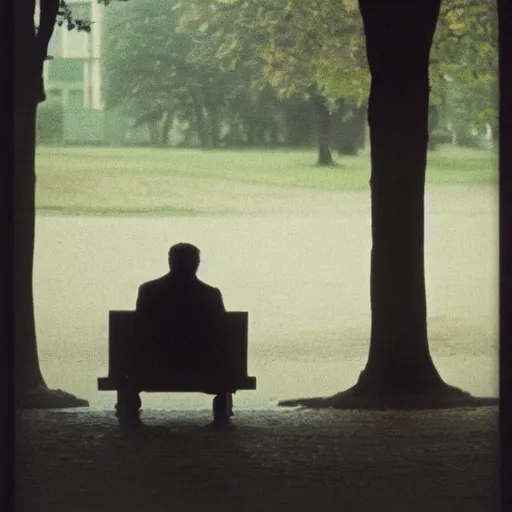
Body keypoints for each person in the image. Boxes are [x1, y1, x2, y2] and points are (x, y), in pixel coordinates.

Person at [115, 243, 234, 429]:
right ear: (197, 264)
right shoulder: (210, 294)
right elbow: (224, 336)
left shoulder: (147, 291)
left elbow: (139, 333)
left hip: (152, 366)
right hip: (202, 367)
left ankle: (128, 410)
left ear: (170, 262)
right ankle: (222, 412)